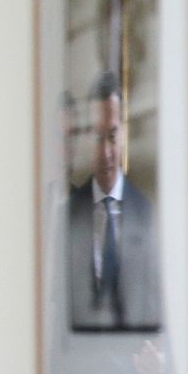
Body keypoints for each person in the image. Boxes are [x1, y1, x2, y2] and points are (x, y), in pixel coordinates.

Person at [68, 69, 160, 332]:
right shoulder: (68, 215)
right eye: (98, 137)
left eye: (112, 135)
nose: (106, 151)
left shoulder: (149, 215)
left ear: (124, 134)